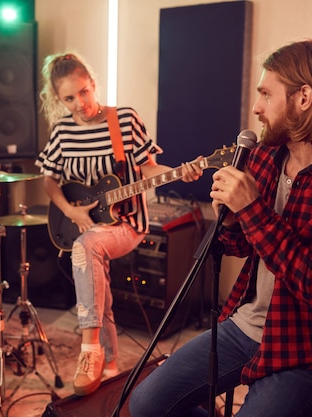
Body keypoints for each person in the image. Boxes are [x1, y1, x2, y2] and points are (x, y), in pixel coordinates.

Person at [129, 39, 312, 417]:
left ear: (304, 97)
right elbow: (241, 247)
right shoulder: (267, 158)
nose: (256, 108)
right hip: (246, 326)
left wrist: (252, 209)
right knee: (146, 403)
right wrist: (232, 217)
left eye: (266, 94)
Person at [35, 52, 201, 396]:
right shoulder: (62, 131)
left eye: (83, 92)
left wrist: (178, 172)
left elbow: (148, 168)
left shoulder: (122, 120)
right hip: (82, 223)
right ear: (58, 100)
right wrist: (71, 211)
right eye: (69, 98)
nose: (79, 103)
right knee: (98, 284)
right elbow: (49, 180)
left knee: (87, 248)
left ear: (93, 84)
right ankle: (110, 364)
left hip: (126, 225)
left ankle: (89, 350)